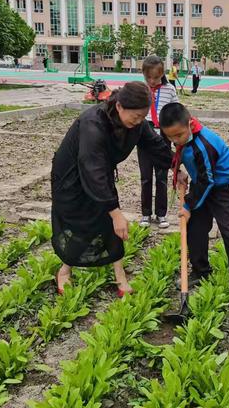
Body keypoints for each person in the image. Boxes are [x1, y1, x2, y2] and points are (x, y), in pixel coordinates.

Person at [52, 82, 172, 296]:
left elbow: (156, 146)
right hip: (72, 178)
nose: (138, 122)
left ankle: (120, 276)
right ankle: (64, 270)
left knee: (110, 224)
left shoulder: (136, 124)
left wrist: (176, 166)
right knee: (81, 225)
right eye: (135, 116)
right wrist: (115, 212)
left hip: (99, 174)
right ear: (119, 107)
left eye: (141, 116)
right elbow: (91, 166)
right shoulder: (93, 122)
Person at [159, 102, 229, 308]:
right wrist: (177, 172)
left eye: (178, 135)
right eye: (170, 137)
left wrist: (187, 206)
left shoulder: (203, 144)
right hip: (202, 182)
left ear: (189, 123)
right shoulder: (179, 137)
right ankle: (201, 271)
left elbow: (207, 180)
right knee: (195, 229)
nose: (175, 140)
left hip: (223, 187)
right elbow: (172, 155)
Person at [138, 55, 178, 229]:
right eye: (149, 78)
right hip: (144, 136)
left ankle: (161, 214)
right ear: (144, 75)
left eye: (156, 77)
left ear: (162, 74)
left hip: (162, 136)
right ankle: (146, 214)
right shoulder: (141, 89)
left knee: (161, 177)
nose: (152, 81)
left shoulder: (169, 90)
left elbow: (176, 110)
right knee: (146, 177)